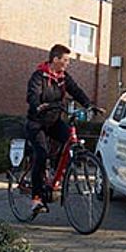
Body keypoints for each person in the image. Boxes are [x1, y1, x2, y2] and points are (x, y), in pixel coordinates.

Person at [26, 44, 96, 214]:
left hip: (55, 121)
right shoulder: (39, 76)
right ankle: (36, 199)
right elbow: (32, 95)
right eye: (65, 60)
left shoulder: (63, 77)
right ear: (55, 59)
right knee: (41, 154)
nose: (67, 63)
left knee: (70, 141)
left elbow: (76, 90)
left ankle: (55, 176)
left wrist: (89, 105)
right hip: (37, 123)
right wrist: (38, 105)